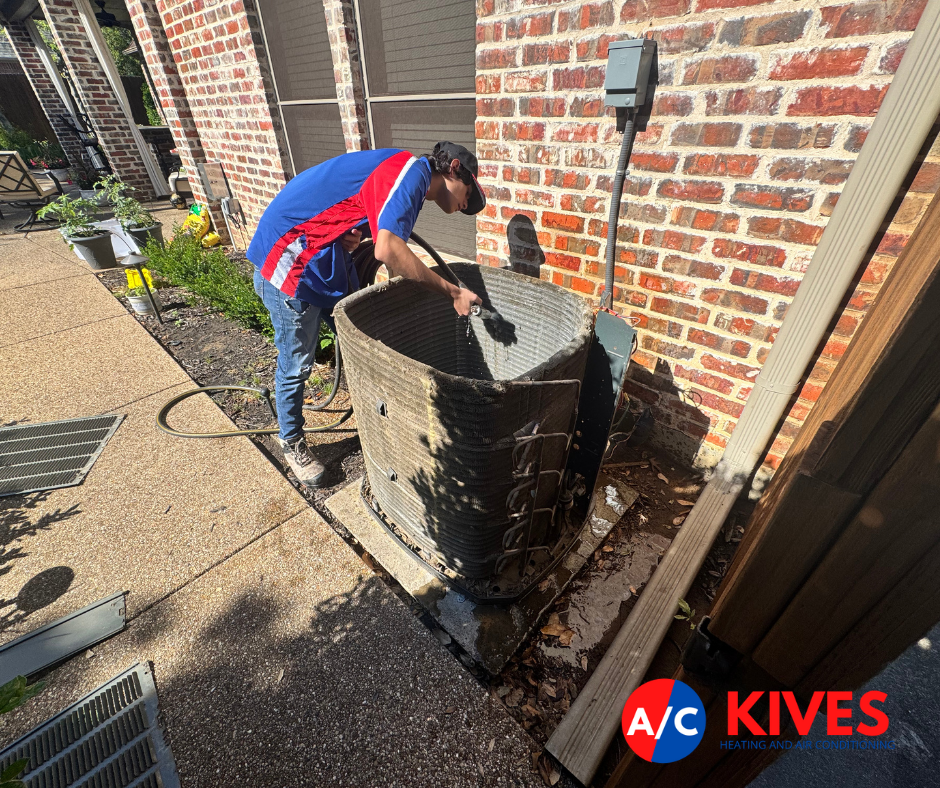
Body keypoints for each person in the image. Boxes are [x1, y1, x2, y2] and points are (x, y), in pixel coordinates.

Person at [247, 141, 486, 487]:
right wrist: (452, 292)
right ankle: (291, 441)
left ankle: (380, 417)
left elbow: (350, 205)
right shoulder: (411, 174)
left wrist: (350, 232)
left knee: (361, 339)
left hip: (320, 256)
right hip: (290, 259)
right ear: (453, 170)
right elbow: (388, 249)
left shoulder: (404, 174)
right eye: (468, 192)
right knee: (296, 362)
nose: (466, 204)